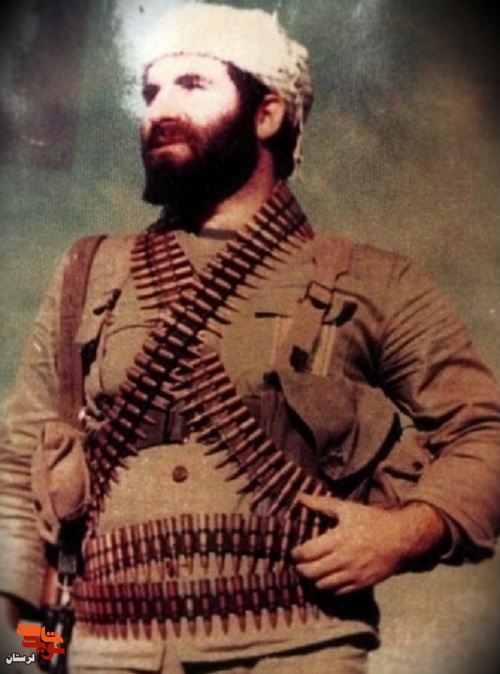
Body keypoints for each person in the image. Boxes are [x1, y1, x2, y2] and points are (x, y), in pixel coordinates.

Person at [1, 3, 499, 673]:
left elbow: (484, 434)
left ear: (266, 114)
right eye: (150, 92)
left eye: (192, 84)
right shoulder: (88, 272)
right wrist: (21, 649)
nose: (158, 110)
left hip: (297, 647)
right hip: (100, 649)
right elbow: (19, 465)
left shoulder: (374, 280)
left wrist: (408, 533)